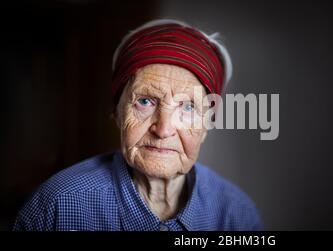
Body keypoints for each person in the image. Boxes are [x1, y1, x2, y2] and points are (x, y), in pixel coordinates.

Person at [13, 19, 263, 231]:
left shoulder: (236, 214)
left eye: (188, 107)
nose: (163, 129)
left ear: (207, 125)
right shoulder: (56, 206)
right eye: (145, 101)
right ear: (117, 112)